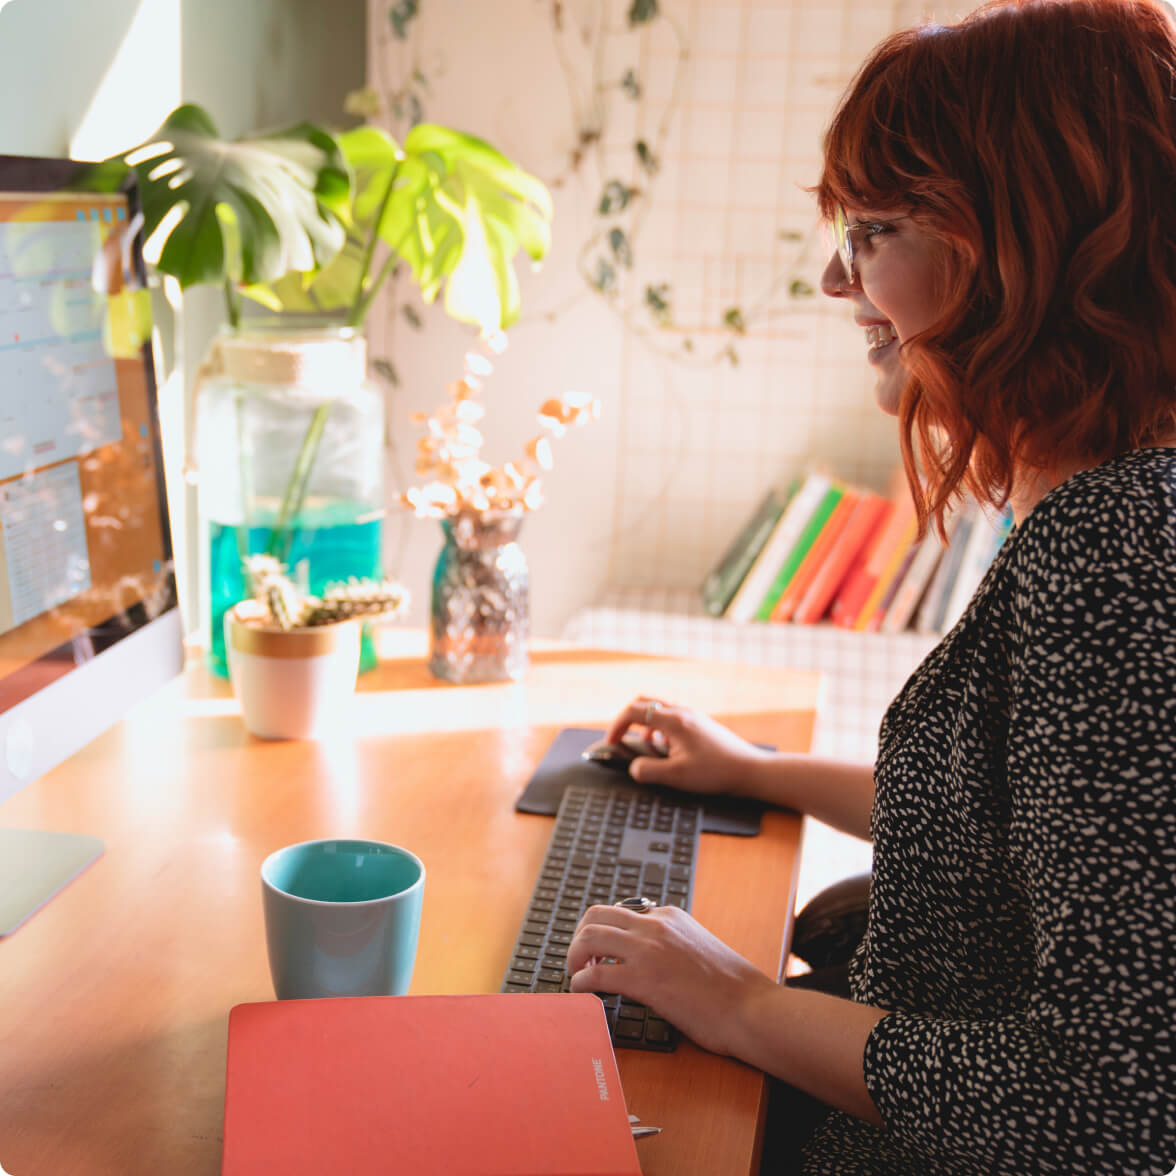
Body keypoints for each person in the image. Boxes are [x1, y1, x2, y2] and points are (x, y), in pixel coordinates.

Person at [565, 0, 1176, 1171]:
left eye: (877, 228)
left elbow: (1110, 1100)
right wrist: (753, 770)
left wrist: (737, 1000)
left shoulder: (1114, 561)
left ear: (1019, 245)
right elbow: (1012, 835)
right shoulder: (1095, 515)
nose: (842, 280)